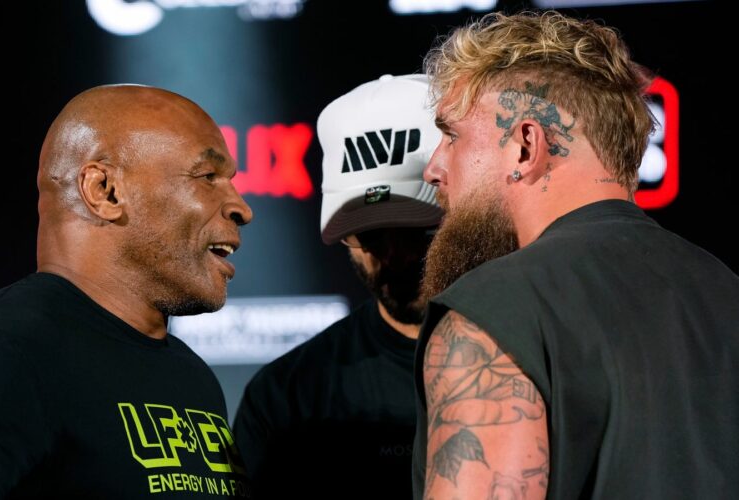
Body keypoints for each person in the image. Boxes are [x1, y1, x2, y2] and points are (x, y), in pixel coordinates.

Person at [413, 10, 739, 500]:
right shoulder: (726, 289)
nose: (434, 167)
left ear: (525, 146)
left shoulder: (492, 313)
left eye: (453, 135)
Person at [0, 85, 253, 499]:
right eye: (208, 177)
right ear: (104, 191)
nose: (242, 208)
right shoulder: (3, 355)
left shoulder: (194, 379)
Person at [232, 74, 443, 499]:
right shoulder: (288, 395)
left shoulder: (543, 355)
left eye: (415, 231)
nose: (393, 257)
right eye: (368, 236)